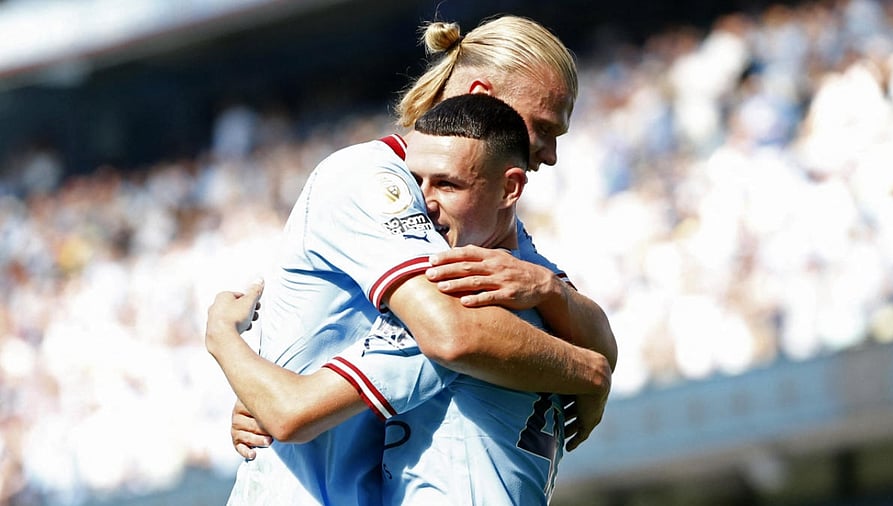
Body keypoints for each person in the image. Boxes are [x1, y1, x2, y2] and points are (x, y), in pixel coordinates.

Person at [218, 15, 616, 506]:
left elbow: (587, 334)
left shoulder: (482, 217)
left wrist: (552, 294)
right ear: (482, 95)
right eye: (544, 127)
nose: (551, 154)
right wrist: (585, 370)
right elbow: (454, 335)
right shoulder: (369, 177)